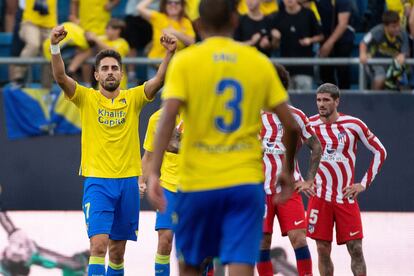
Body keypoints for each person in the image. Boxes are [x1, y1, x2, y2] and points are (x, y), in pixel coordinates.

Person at [146, 0, 300, 275]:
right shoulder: (257, 61)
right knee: (240, 265)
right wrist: (287, 170)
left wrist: (154, 172)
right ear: (235, 21)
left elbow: (167, 118)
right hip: (243, 182)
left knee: (191, 265)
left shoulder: (186, 61)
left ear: (198, 25)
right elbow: (291, 125)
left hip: (197, 182)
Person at [49, 24, 177, 276]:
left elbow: (159, 80)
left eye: (114, 68)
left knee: (117, 252)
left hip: (128, 182)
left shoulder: (134, 98)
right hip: (97, 182)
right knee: (98, 246)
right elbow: (61, 78)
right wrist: (55, 47)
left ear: (121, 74)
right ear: (96, 75)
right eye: (105, 68)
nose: (110, 72)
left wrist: (169, 53)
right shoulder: (86, 98)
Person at [307, 83, 387, 276]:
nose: (321, 104)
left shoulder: (353, 125)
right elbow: (289, 149)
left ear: (337, 101)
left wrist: (363, 183)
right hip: (320, 198)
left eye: (326, 100)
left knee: (356, 249)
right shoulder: (310, 126)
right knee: (322, 250)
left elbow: (380, 151)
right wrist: (302, 179)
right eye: (318, 100)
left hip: (345, 198)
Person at [257, 64, 322, 276]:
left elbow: (316, 146)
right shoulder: (251, 116)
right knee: (262, 242)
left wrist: (310, 179)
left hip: (289, 188)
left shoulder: (296, 116)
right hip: (259, 189)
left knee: (299, 238)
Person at [141, 109, 182, 276]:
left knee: (201, 246)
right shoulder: (157, 119)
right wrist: (141, 181)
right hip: (168, 186)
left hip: (196, 186)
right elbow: (149, 155)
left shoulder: (201, 112)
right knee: (165, 240)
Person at [270, 0, 324, 90]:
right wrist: (275, 39)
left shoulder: (308, 14)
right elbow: (274, 46)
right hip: (285, 69)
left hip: (305, 68)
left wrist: (310, 40)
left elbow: (321, 36)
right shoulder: (278, 16)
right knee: (288, 103)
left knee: (304, 101)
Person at [137, 0, 195, 77]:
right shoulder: (159, 17)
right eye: (169, 2)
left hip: (174, 66)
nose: (173, 5)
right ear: (165, 5)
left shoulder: (186, 22)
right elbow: (139, 8)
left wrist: (175, 32)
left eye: (177, 3)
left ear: (182, 6)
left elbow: (192, 42)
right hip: (155, 65)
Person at [11, 0, 57, 86]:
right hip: (29, 23)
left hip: (49, 26)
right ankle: (18, 76)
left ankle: (47, 88)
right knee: (33, 44)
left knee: (50, 52)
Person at [360, 10, 409, 90]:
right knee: (380, 78)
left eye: (398, 25)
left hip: (394, 64)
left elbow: (405, 51)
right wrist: (363, 54)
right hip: (376, 62)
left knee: (402, 83)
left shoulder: (403, 33)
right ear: (385, 26)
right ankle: (374, 100)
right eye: (393, 26)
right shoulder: (377, 31)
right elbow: (363, 42)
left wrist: (403, 55)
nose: (397, 29)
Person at [316, 0, 355, 89]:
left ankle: (345, 100)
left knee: (343, 73)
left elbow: (342, 24)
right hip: (324, 38)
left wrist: (329, 44)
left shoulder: (343, 2)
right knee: (325, 76)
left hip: (343, 40)